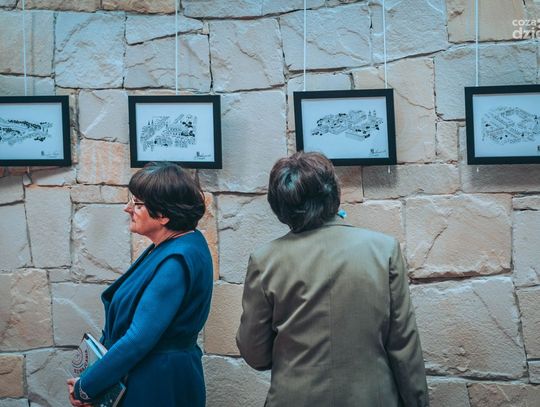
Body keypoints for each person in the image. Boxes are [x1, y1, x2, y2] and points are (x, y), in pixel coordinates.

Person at [236, 152, 429, 406]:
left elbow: (255, 353)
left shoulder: (265, 261)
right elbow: (404, 346)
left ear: (279, 206)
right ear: (335, 193)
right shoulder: (384, 250)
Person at [67, 162, 213, 407]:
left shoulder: (176, 260)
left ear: (163, 215)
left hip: (158, 384)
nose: (127, 208)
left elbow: (138, 338)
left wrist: (87, 387)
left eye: (137, 203)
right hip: (154, 375)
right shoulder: (177, 244)